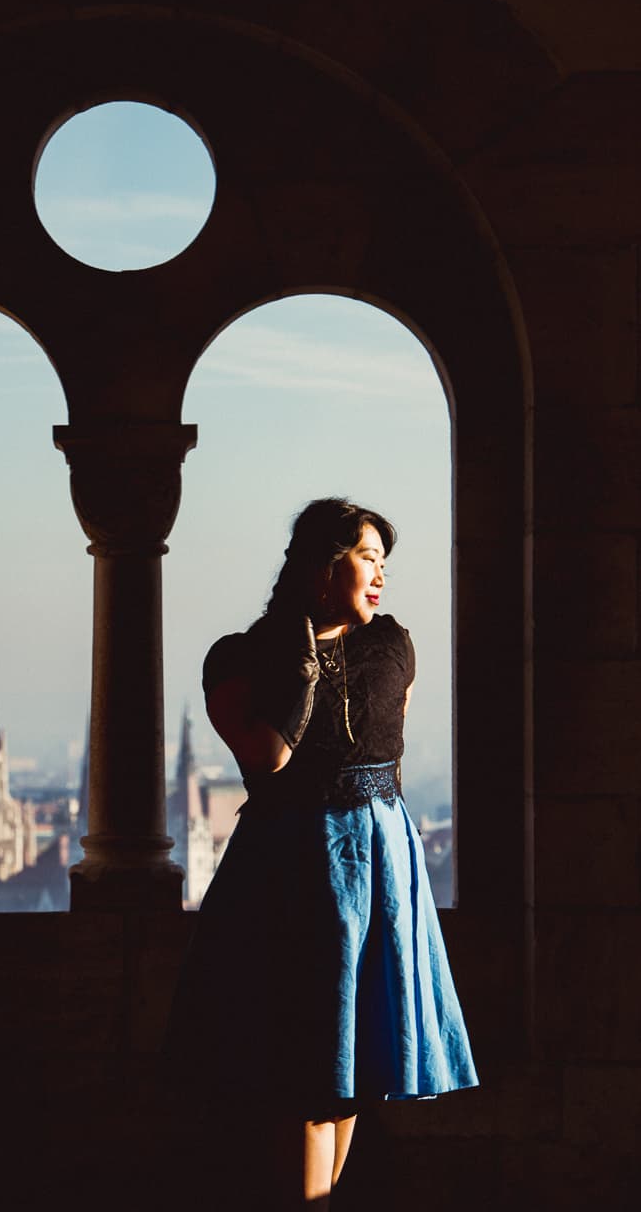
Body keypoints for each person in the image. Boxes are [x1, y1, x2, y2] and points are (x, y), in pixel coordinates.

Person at [166, 499, 478, 1210]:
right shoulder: (240, 658)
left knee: (351, 1065)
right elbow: (266, 759)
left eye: (383, 564)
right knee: (309, 1067)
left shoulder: (394, 644)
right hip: (295, 867)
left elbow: (381, 746)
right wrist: (303, 671)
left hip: (380, 863)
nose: (381, 577)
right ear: (322, 566)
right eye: (368, 559)